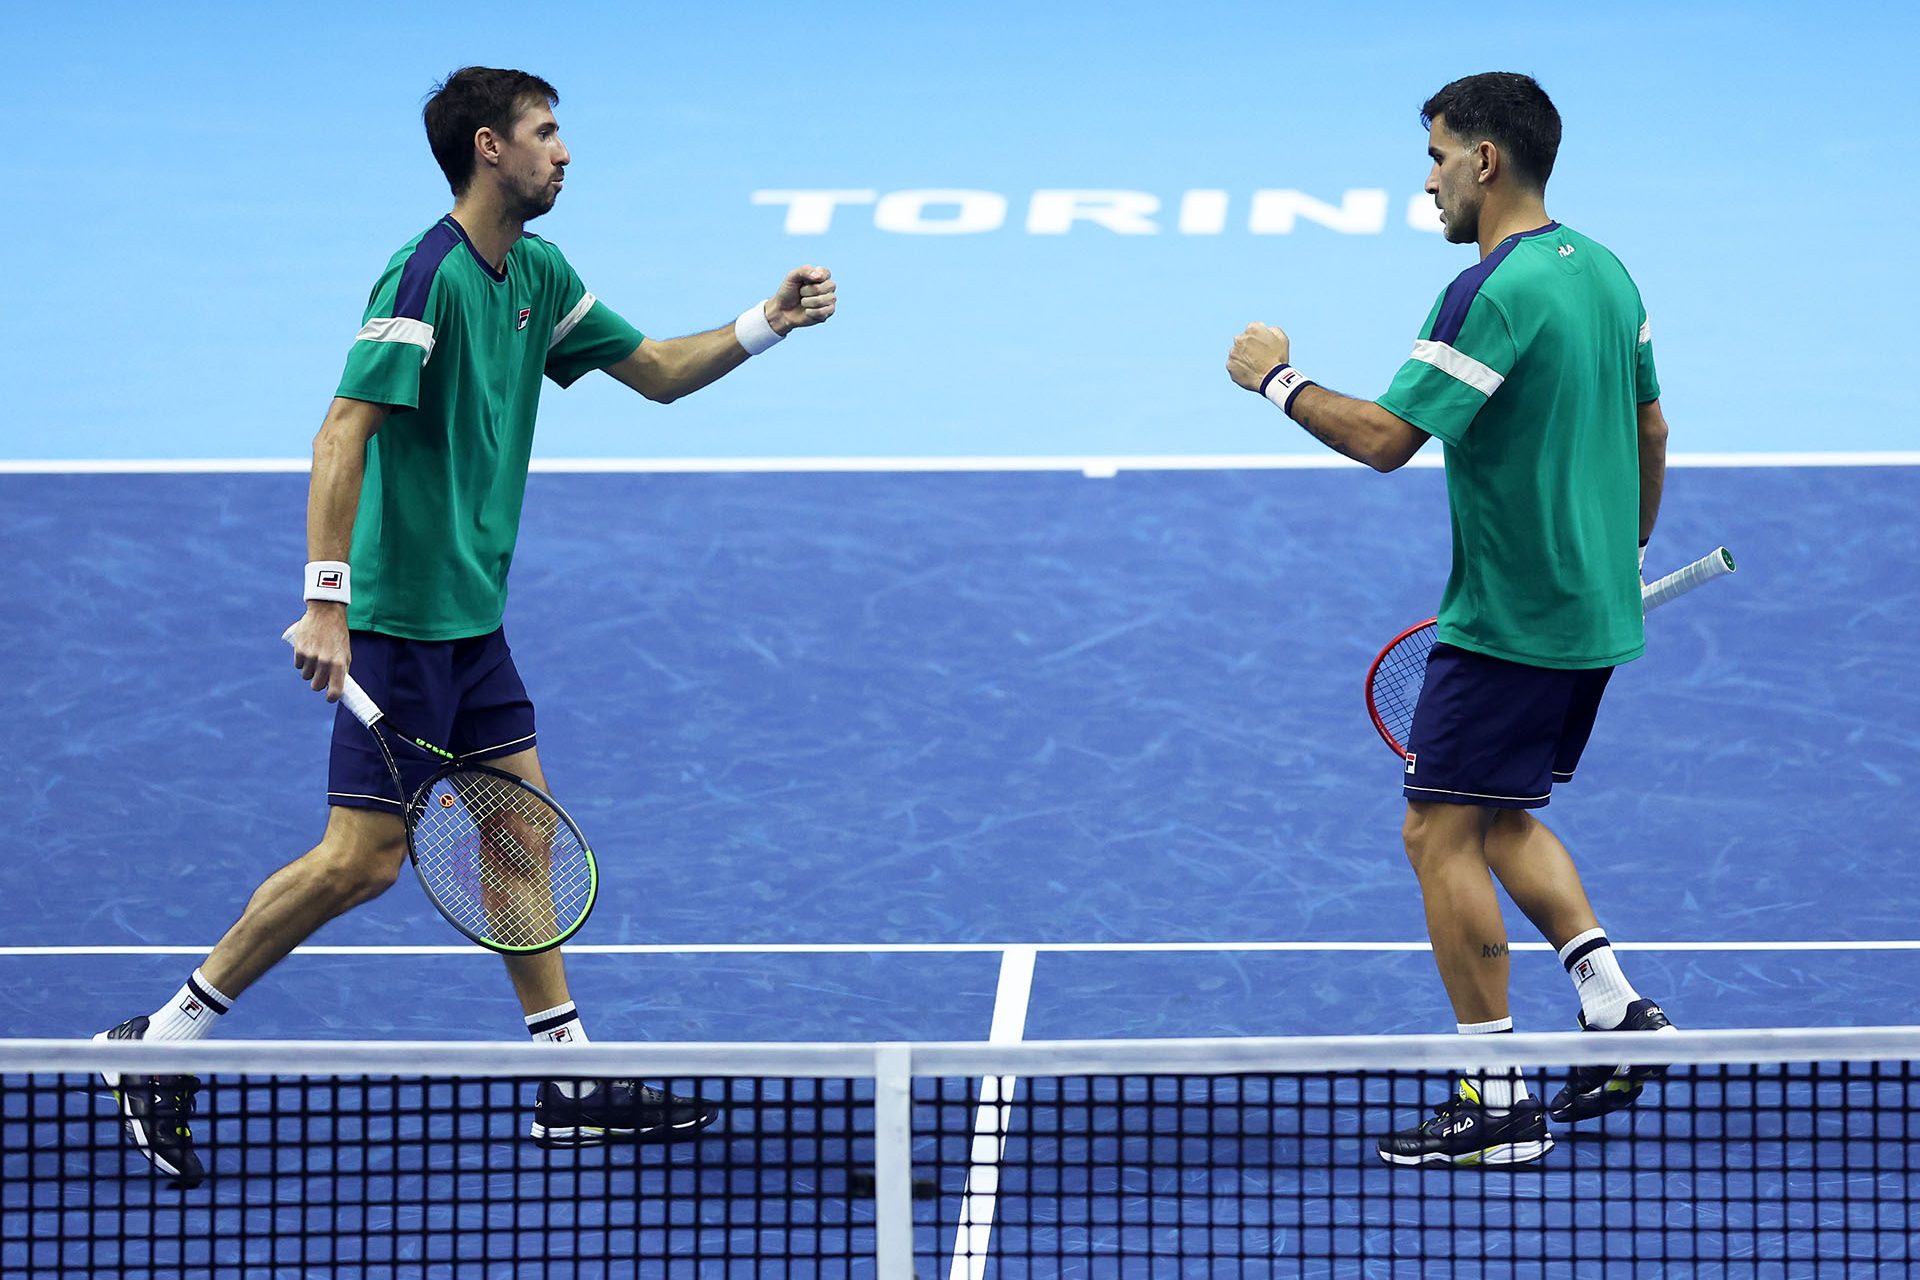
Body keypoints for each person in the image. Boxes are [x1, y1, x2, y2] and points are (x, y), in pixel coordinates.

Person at [96, 66, 837, 1187]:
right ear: (489, 148)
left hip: (473, 620)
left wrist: (766, 323)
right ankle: (158, 1044)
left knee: (519, 833)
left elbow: (657, 374)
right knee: (363, 862)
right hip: (395, 625)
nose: (565, 152)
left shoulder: (538, 270)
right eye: (547, 133)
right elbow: (341, 432)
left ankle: (573, 1079)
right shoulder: (425, 273)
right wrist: (328, 604)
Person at [1226, 71, 1674, 1167]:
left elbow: (1385, 438)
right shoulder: (1604, 271)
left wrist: (1274, 379)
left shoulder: (1492, 291)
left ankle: (1500, 1096)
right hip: (1590, 608)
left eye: (1435, 157)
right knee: (1500, 814)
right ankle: (1614, 1007)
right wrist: (1623, 555)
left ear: (1486, 160)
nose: (1425, 181)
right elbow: (1650, 428)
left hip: (1511, 615)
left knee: (1435, 828)